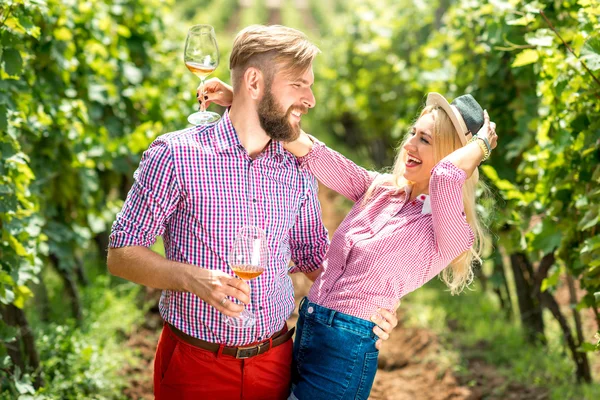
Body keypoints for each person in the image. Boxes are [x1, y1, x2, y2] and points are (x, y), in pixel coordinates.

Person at [107, 25, 396, 400]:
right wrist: (193, 279)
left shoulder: (297, 168)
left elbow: (313, 259)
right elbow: (121, 255)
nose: (310, 99)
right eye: (298, 85)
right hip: (195, 366)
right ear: (255, 82)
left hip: (276, 362)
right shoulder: (176, 154)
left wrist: (367, 305)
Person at [201, 81, 497, 399]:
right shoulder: (380, 189)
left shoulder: (450, 231)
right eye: (413, 133)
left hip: (344, 352)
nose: (410, 145)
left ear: (453, 155)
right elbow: (308, 148)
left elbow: (446, 176)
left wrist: (481, 147)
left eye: (425, 140)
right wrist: (242, 101)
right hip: (307, 329)